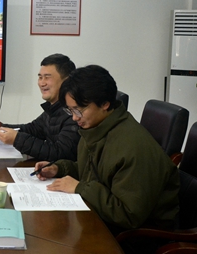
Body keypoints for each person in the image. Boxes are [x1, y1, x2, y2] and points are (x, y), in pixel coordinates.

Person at [35, 65, 180, 237]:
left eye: (79, 110)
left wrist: (81, 188)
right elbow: (93, 171)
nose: (74, 117)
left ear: (105, 104)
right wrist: (59, 168)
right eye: (70, 110)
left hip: (136, 239)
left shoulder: (132, 147)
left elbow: (128, 215)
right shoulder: (96, 129)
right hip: (102, 222)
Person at [0, 54, 80, 162]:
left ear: (66, 81)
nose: (42, 83)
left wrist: (17, 139)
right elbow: (32, 129)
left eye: (47, 77)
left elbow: (60, 153)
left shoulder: (74, 114)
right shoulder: (53, 109)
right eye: (40, 77)